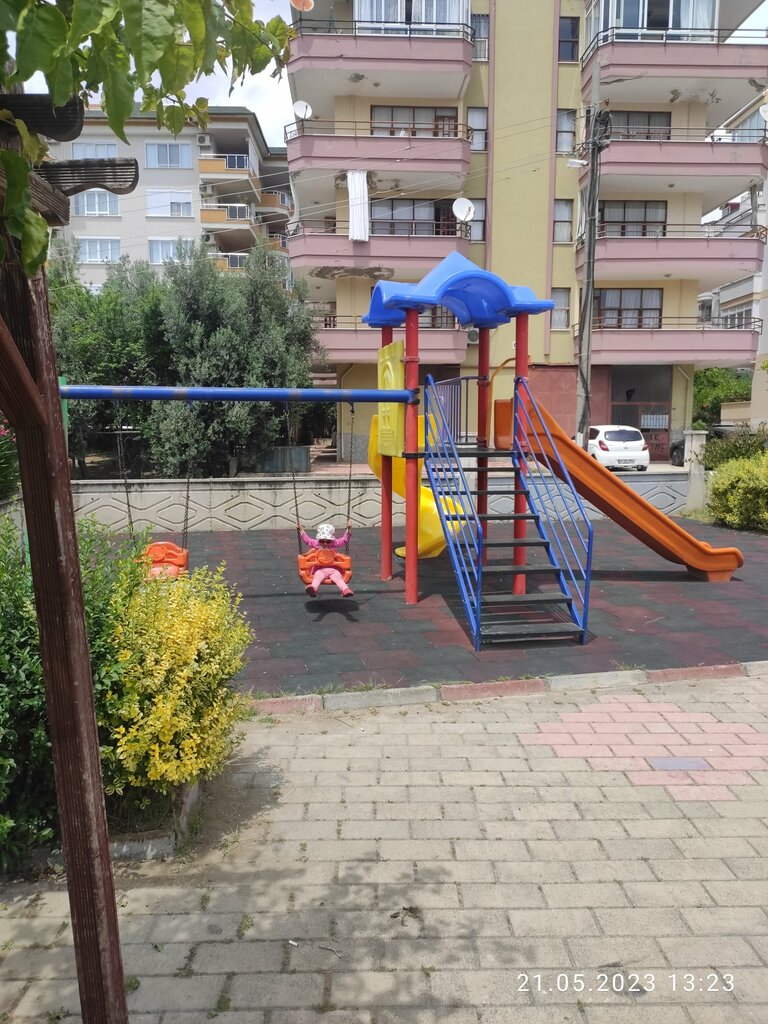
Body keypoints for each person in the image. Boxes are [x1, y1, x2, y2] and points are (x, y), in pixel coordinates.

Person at [298, 520, 354, 597]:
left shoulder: (334, 543)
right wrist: (301, 529)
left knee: (338, 577)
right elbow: (307, 540)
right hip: (320, 569)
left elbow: (344, 540)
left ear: (332, 540)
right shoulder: (317, 544)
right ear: (319, 540)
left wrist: (349, 528)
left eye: (328, 541)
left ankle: (345, 590)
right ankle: (313, 589)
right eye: (322, 541)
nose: (325, 543)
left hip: (334, 569)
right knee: (317, 577)